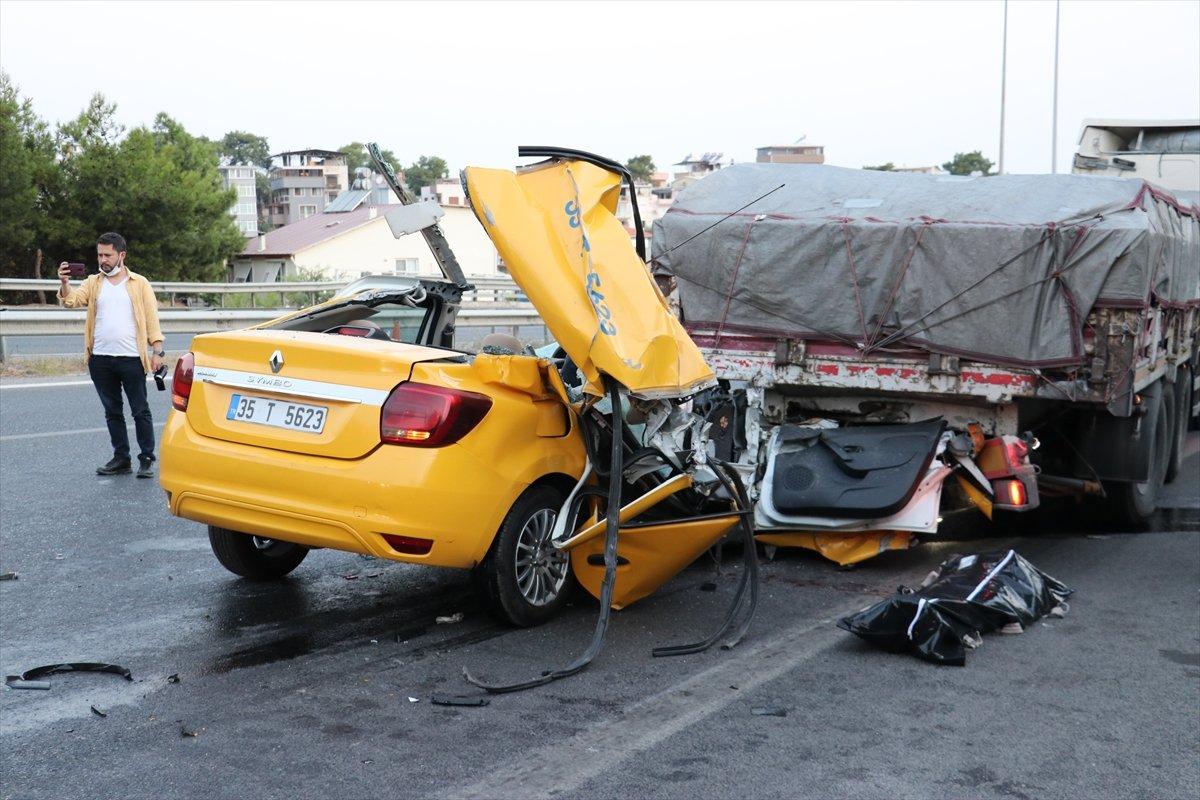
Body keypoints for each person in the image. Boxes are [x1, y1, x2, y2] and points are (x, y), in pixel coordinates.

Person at [57, 232, 165, 478]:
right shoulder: (94, 282)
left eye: (108, 255)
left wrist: (157, 351)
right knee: (112, 411)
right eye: (99, 254)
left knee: (140, 410)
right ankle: (121, 458)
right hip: (100, 359)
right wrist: (64, 284)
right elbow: (71, 301)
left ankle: (146, 458)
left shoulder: (139, 283)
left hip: (131, 359)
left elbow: (152, 319)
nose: (102, 259)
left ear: (121, 255)